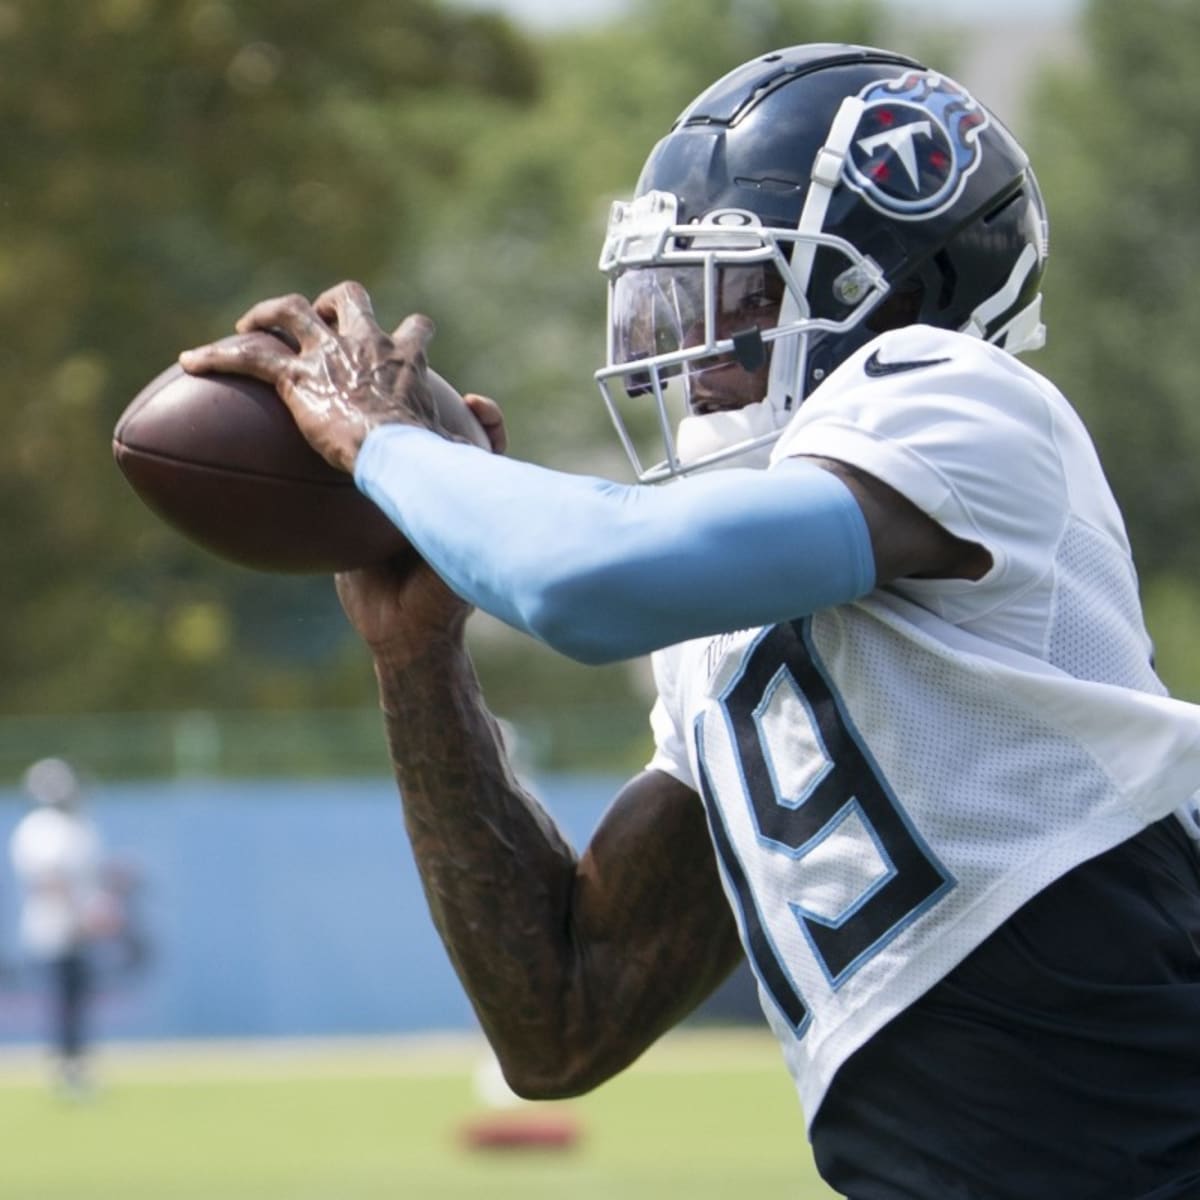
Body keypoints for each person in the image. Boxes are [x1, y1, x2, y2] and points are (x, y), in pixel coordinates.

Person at [181, 44, 1200, 1199]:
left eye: (741, 290)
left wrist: (385, 444)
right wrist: (420, 657)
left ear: (899, 295)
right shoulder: (726, 608)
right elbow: (562, 1019)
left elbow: (582, 579)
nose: (691, 345)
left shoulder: (963, 399)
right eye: (672, 290)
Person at [9, 758, 117, 1096]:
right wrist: (81, 914)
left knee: (78, 998)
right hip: (56, 927)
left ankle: (76, 1062)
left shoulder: (75, 826)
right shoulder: (42, 827)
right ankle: (67, 1066)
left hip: (75, 926)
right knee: (65, 998)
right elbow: (49, 878)